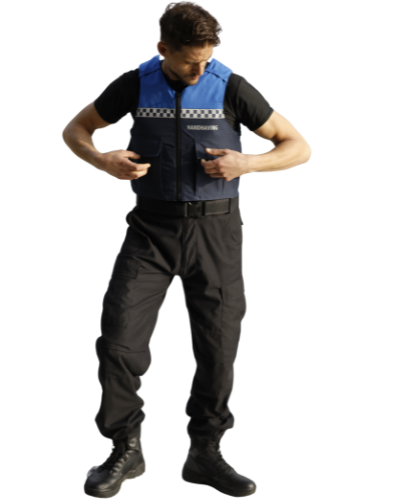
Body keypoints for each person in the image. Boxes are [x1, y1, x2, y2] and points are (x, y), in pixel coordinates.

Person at [62, 2, 311, 497]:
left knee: (218, 347)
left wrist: (247, 163)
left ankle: (205, 453)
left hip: (217, 233)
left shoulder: (231, 86)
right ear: (163, 49)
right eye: (190, 62)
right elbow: (76, 130)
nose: (200, 70)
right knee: (119, 341)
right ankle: (125, 449)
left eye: (207, 60)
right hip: (150, 231)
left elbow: (297, 146)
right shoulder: (134, 84)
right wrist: (103, 160)